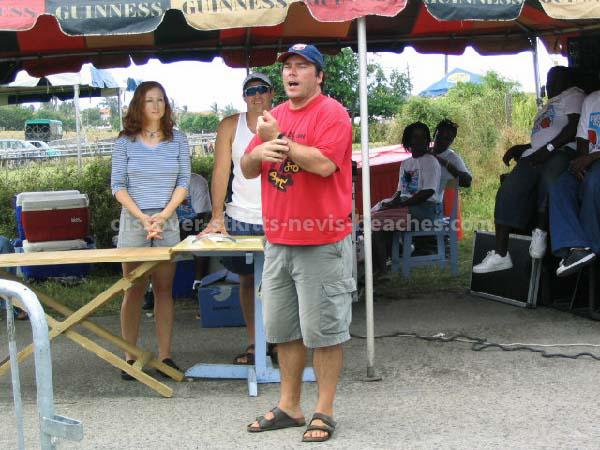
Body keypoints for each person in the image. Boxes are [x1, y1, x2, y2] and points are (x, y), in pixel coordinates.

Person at [241, 43, 353, 443]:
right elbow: (248, 166)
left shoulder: (333, 114)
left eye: (302, 67)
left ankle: (324, 409)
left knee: (324, 330)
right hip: (278, 240)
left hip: (322, 238)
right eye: (288, 67)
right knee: (284, 329)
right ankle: (290, 405)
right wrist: (260, 153)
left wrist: (282, 142)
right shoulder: (275, 117)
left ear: (319, 76)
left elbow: (324, 164)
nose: (291, 73)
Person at [111, 81, 191, 380]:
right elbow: (117, 186)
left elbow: (184, 181)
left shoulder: (179, 140)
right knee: (132, 289)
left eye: (160, 100)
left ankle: (166, 356)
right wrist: (143, 219)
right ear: (138, 105)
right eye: (148, 100)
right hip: (134, 221)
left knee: (163, 289)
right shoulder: (124, 142)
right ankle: (130, 356)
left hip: (166, 219)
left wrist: (164, 215)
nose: (155, 105)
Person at [473, 66, 584, 273]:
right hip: (536, 154)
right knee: (508, 190)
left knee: (550, 178)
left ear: (567, 81)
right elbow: (543, 136)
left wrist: (548, 149)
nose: (548, 86)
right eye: (547, 82)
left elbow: (572, 129)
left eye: (554, 81)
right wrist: (522, 147)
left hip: (562, 152)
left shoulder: (573, 95)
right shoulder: (549, 104)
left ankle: (540, 232)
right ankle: (500, 253)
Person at [198, 73, 275, 365]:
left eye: (262, 90)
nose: (256, 95)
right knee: (247, 280)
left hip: (278, 217)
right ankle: (256, 343)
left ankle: (279, 342)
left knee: (280, 283)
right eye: (250, 90)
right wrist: (217, 216)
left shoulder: (283, 120)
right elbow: (221, 171)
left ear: (271, 94)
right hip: (241, 216)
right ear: (244, 96)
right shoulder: (231, 125)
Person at [370, 122, 443, 276]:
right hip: (409, 207)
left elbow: (428, 192)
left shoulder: (430, 161)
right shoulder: (406, 163)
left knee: (377, 221)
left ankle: (381, 270)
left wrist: (402, 204)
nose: (419, 141)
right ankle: (381, 266)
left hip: (426, 211)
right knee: (375, 217)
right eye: (414, 137)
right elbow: (401, 191)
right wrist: (391, 202)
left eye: (423, 137)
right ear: (408, 140)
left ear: (427, 140)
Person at [548, 89, 600, 277]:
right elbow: (582, 138)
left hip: (596, 163)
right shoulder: (592, 100)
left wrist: (591, 158)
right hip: (591, 162)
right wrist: (581, 162)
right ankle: (577, 247)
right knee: (560, 187)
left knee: (593, 182)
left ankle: (593, 246)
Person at [432, 119, 472, 192]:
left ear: (451, 141)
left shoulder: (453, 158)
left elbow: (467, 182)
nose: (442, 141)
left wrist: (447, 164)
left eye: (447, 139)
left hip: (444, 202)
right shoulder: (425, 152)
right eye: (439, 136)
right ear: (434, 134)